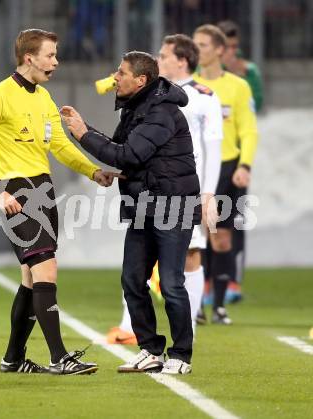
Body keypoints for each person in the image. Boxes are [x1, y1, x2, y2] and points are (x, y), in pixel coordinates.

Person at [0, 29, 118, 375]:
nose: (56, 62)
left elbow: (60, 146)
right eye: (50, 55)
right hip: (17, 194)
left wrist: (93, 171)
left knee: (31, 280)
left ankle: (13, 359)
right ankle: (59, 356)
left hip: (43, 192)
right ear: (29, 58)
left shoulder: (44, 98)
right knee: (46, 269)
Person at [61, 51, 201, 375]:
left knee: (170, 284)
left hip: (173, 207)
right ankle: (150, 349)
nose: (115, 78)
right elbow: (122, 151)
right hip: (146, 207)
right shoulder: (137, 106)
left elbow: (130, 153)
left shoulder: (162, 112)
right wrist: (88, 134)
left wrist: (83, 133)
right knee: (132, 280)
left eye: (121, 73)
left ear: (141, 80)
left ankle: (181, 355)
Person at [107, 34, 223, 343]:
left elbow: (213, 149)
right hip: (148, 191)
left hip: (183, 191)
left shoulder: (204, 96)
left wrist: (208, 194)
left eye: (164, 54)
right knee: (135, 268)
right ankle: (130, 326)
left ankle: (189, 331)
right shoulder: (141, 97)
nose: (158, 59)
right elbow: (129, 146)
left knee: (189, 259)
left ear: (182, 60)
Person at [192, 24, 258, 324]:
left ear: (220, 49)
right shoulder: (187, 86)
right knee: (196, 237)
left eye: (203, 45)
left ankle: (217, 305)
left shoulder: (239, 86)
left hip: (229, 169)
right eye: (195, 45)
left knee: (222, 238)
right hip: (196, 169)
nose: (198, 50)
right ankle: (195, 304)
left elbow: (248, 129)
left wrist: (245, 166)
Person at [217, 19, 264, 303]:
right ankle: (208, 280)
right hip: (209, 160)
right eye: (226, 46)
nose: (230, 52)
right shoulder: (202, 75)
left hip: (235, 158)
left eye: (234, 47)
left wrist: (241, 78)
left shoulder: (247, 75)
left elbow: (255, 107)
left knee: (234, 222)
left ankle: (233, 280)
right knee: (207, 223)